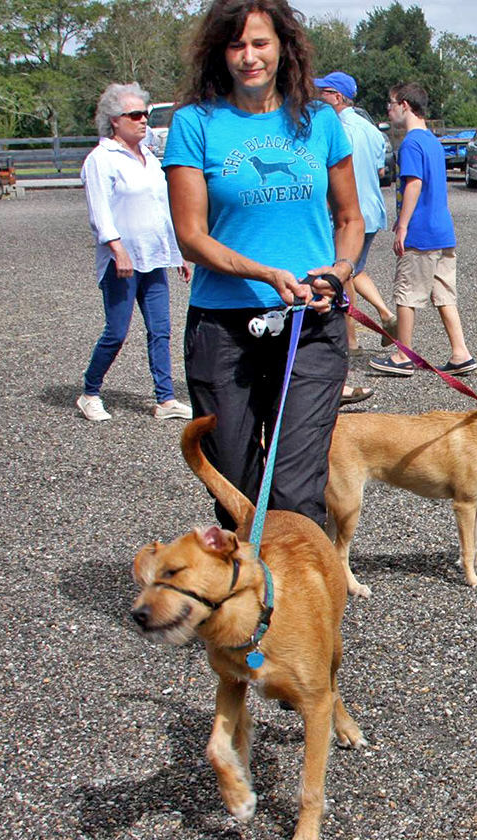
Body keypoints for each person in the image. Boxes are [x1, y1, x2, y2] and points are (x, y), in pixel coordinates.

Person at [162, 0, 363, 529]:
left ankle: (300, 603)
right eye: (236, 45)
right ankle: (249, 595)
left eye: (259, 43)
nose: (248, 56)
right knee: (235, 485)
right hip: (225, 325)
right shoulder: (195, 124)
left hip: (311, 322)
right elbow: (190, 236)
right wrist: (265, 273)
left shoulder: (319, 120)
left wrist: (339, 271)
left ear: (283, 47)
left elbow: (349, 218)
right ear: (219, 53)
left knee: (296, 488)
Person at [77, 82, 193, 423]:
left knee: (161, 328)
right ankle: (90, 391)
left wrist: (178, 253)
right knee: (116, 331)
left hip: (153, 256)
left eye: (145, 114)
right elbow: (99, 211)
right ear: (114, 120)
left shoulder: (149, 158)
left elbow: (162, 207)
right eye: (135, 115)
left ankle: (165, 398)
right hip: (122, 261)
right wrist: (117, 249)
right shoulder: (101, 159)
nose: (143, 120)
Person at [370, 82, 477, 377]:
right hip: (443, 231)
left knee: (406, 293)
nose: (388, 111)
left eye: (390, 105)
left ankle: (403, 356)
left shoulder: (411, 143)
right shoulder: (432, 140)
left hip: (421, 233)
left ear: (405, 105)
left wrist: (402, 225)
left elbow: (414, 184)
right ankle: (460, 353)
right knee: (444, 294)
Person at [313, 69, 387, 406]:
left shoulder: (338, 128)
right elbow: (382, 170)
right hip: (371, 211)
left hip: (346, 214)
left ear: (337, 97)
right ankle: (383, 315)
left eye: (324, 93)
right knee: (352, 271)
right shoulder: (371, 129)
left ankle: (351, 340)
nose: (318, 98)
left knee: (341, 275)